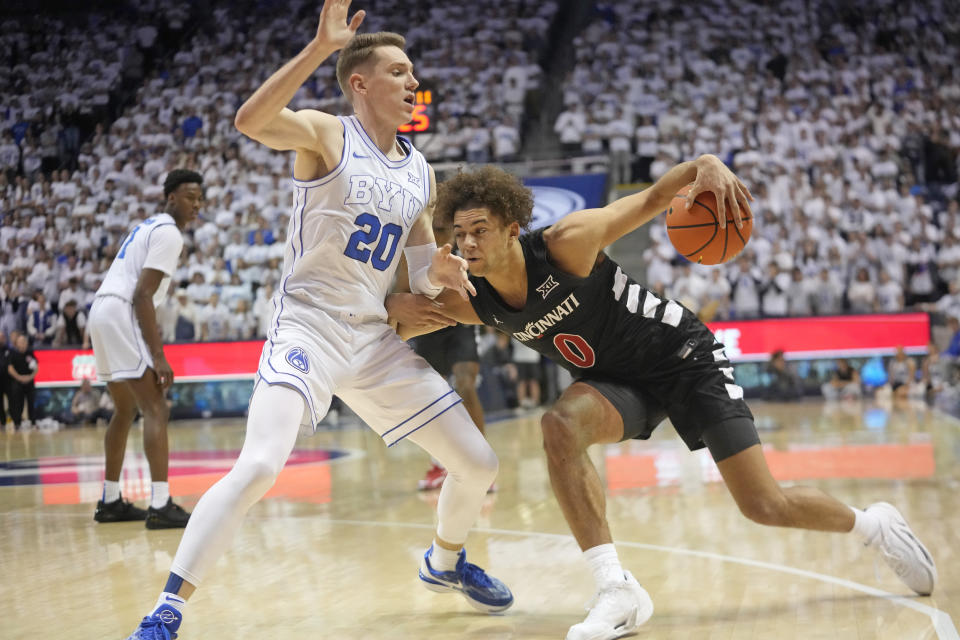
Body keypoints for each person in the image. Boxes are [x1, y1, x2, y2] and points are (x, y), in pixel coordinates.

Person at [393, 162, 937, 639]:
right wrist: (396, 292)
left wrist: (705, 164)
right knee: (559, 426)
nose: (466, 244)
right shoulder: (475, 302)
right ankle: (615, 589)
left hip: (683, 358)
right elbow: (401, 312)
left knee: (763, 505)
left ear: (513, 230)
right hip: (618, 383)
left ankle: (874, 526)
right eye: (460, 234)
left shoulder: (568, 242)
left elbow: (653, 199)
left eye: (479, 231)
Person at [125, 5, 511, 638]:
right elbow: (250, 121)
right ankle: (169, 606)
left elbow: (416, 280)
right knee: (258, 467)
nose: (413, 82)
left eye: (412, 72)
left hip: (373, 338)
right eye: (398, 71)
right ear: (360, 83)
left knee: (480, 463)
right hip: (308, 326)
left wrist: (438, 276)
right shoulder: (327, 134)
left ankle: (444, 562)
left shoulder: (420, 171)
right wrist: (317, 49)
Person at [88, 168, 202, 530]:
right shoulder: (169, 233)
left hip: (101, 310)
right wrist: (158, 355)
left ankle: (109, 500)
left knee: (124, 409)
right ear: (171, 197)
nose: (196, 204)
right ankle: (161, 502)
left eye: (199, 198)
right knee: (155, 407)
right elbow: (142, 295)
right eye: (189, 196)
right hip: (122, 309)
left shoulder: (149, 225)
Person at [397, 215, 489, 491]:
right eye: (438, 229)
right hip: (427, 322)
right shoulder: (412, 246)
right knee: (431, 396)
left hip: (460, 321)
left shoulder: (465, 251)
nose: (444, 235)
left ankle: (482, 462)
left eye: (448, 229)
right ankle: (440, 464)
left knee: (465, 384)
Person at [6, 333, 37, 430]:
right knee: (18, 403)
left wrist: (30, 377)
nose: (23, 344)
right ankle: (17, 423)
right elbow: (10, 369)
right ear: (17, 343)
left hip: (29, 381)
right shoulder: (13, 354)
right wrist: (19, 378)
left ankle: (33, 422)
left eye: (24, 342)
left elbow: (36, 367)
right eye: (21, 342)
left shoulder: (30, 353)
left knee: (31, 402)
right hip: (17, 382)